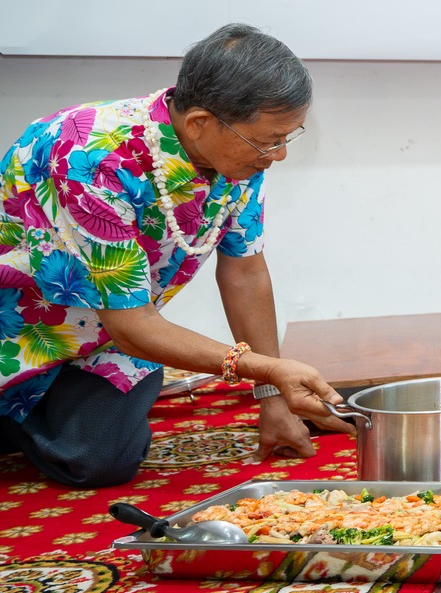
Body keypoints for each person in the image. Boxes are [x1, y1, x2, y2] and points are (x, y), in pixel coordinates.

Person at [0, 25, 350, 488]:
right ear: (199, 123)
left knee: (103, 459)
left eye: (288, 137)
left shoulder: (237, 157)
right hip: (22, 332)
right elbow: (133, 327)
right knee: (100, 429)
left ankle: (40, 417)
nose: (279, 154)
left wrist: (273, 398)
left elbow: (245, 272)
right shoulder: (88, 156)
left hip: (102, 339)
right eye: (268, 140)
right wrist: (265, 368)